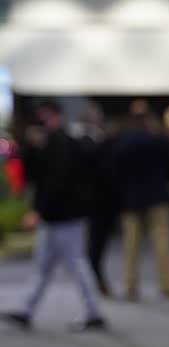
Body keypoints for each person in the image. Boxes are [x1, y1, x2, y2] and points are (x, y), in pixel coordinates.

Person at [3, 100, 106, 331]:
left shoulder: (62, 143)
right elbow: (34, 174)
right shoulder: (49, 142)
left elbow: (57, 182)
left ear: (56, 115)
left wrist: (38, 210)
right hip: (56, 216)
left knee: (76, 264)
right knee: (44, 266)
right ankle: (26, 309)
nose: (42, 121)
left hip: (65, 216)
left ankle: (94, 312)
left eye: (46, 116)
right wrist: (32, 147)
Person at [114, 105, 169, 301]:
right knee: (162, 244)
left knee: (131, 246)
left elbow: (116, 172)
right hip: (157, 197)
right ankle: (166, 286)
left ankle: (131, 286)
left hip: (131, 200)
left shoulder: (123, 144)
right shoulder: (159, 142)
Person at [79, 105, 120, 297]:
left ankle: (96, 280)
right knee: (95, 245)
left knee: (95, 244)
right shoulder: (90, 143)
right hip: (97, 203)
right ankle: (95, 281)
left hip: (98, 202)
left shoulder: (93, 141)